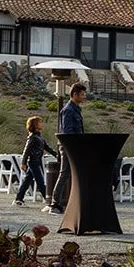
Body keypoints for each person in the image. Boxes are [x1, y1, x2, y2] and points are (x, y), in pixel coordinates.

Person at [47, 82, 88, 216]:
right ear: (74, 94)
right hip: (69, 146)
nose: (84, 97)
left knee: (75, 174)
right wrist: (73, 146)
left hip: (76, 146)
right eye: (82, 94)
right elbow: (67, 131)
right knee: (65, 173)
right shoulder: (68, 110)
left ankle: (75, 202)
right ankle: (55, 203)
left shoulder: (76, 109)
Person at [13, 115, 55, 207]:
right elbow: (26, 150)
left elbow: (48, 148)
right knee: (40, 181)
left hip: (37, 161)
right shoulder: (32, 137)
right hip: (33, 162)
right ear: (35, 125)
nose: (42, 124)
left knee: (27, 181)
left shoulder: (40, 137)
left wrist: (57, 155)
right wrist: (23, 163)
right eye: (40, 122)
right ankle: (49, 202)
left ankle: (19, 199)